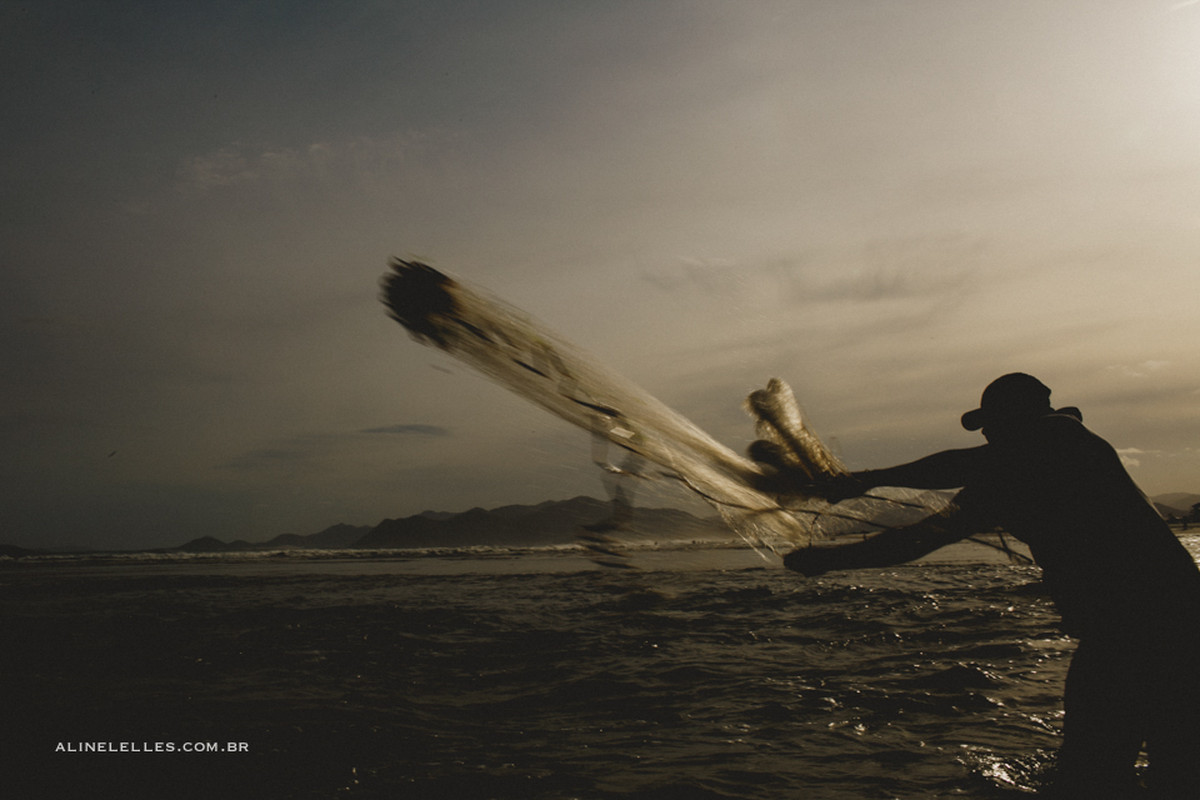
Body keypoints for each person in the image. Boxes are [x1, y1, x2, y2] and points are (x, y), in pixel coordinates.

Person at [751, 373, 1200, 798]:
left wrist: (865, 480)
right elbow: (921, 539)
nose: (986, 434)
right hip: (1125, 632)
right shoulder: (1002, 481)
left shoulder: (1064, 436)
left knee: (1119, 769)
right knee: (1131, 768)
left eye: (992, 423)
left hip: (1160, 625)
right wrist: (829, 560)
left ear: (1019, 418)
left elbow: (961, 464)